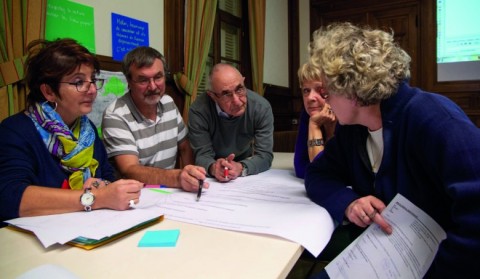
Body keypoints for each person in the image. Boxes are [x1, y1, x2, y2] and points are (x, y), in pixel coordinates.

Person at [304, 22, 480, 278]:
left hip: (441, 262)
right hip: (383, 255)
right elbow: (317, 175)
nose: (325, 100)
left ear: (351, 90)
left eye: (327, 91)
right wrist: (349, 203)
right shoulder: (352, 130)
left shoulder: (436, 119)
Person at [0, 38, 144, 227]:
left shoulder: (86, 129)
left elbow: (107, 175)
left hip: (88, 228)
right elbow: (10, 198)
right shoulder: (15, 131)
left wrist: (105, 186)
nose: (92, 90)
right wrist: (96, 197)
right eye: (78, 82)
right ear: (49, 91)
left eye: (92, 80)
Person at [102, 46, 208, 192]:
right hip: (137, 197)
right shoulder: (115, 115)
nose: (152, 87)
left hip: (171, 192)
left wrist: (191, 176)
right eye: (143, 80)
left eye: (158, 77)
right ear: (129, 81)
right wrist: (177, 178)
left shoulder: (168, 102)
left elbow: (185, 146)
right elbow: (129, 169)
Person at [188, 63, 274, 181]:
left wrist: (241, 167)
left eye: (239, 89)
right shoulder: (198, 111)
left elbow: (265, 156)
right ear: (212, 95)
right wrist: (214, 168)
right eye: (226, 94)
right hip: (213, 171)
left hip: (244, 165)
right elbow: (202, 155)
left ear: (243, 82)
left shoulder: (261, 107)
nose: (237, 101)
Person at [294, 62, 336, 178]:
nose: (310, 98)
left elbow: (339, 174)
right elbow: (300, 167)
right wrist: (314, 124)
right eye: (306, 90)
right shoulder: (307, 116)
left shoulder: (347, 118)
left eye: (319, 89)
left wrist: (330, 131)